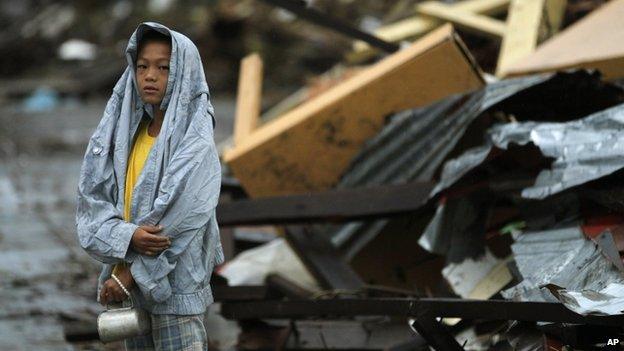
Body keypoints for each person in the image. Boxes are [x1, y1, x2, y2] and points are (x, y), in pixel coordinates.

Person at [75, 22, 224, 351]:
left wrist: (129, 276)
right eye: (142, 66)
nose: (150, 76)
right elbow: (94, 198)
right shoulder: (128, 132)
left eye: (163, 67)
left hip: (175, 292)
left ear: (183, 72)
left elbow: (179, 218)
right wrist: (126, 238)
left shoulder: (194, 138)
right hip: (135, 291)